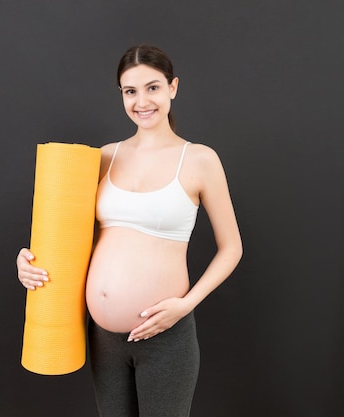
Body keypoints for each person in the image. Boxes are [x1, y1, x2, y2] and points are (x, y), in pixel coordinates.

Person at [16, 44, 242, 417]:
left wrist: (186, 305)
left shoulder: (200, 160)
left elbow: (231, 247)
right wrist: (29, 261)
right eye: (130, 91)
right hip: (103, 339)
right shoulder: (104, 156)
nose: (142, 101)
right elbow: (62, 234)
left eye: (152, 87)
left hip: (165, 336)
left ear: (173, 87)